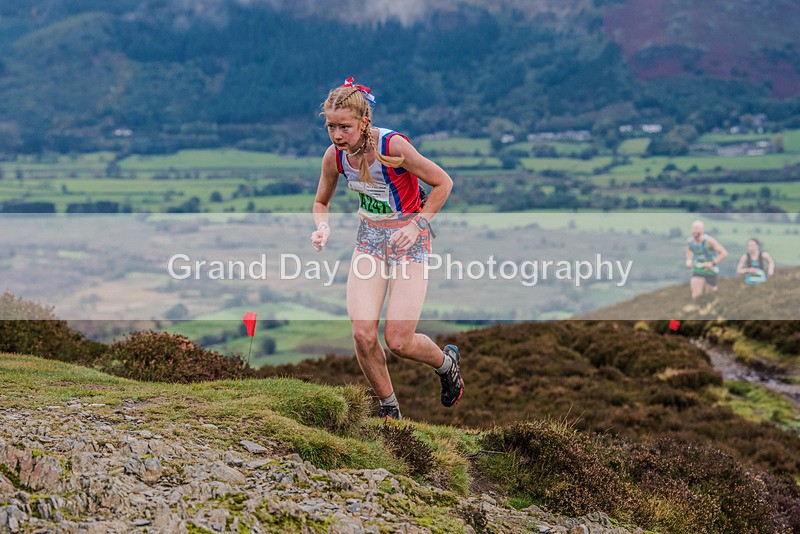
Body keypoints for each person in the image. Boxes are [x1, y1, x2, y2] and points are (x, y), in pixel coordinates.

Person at [309, 77, 463, 420]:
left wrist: (417, 224)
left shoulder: (393, 146)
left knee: (398, 340)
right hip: (370, 239)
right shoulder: (334, 157)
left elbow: (443, 183)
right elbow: (321, 201)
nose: (336, 135)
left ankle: (446, 364)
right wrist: (322, 227)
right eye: (331, 126)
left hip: (411, 239)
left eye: (344, 127)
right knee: (363, 334)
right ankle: (389, 411)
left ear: (364, 122)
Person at [685, 220, 728, 299]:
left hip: (711, 271)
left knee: (711, 295)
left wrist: (712, 263)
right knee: (696, 295)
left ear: (702, 230)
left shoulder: (709, 241)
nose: (694, 231)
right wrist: (689, 260)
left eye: (697, 229)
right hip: (698, 270)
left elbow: (724, 253)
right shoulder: (690, 241)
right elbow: (689, 250)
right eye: (693, 228)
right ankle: (696, 309)